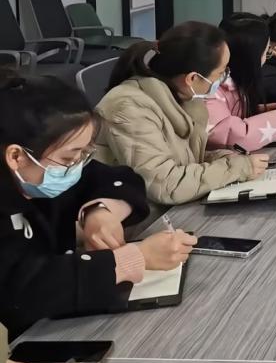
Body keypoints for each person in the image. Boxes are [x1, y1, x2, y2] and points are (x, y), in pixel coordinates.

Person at [0, 70, 196, 341]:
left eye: (84, 153)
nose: (76, 166)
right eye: (69, 158)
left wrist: (101, 211)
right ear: (16, 156)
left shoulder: (43, 171)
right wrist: (132, 259)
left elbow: (116, 179)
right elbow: (23, 290)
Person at [95, 22, 269, 206]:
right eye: (221, 72)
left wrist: (226, 159)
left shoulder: (181, 96)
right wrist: (237, 168)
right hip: (142, 216)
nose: (225, 77)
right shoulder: (129, 109)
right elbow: (165, 185)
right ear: (192, 78)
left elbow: (186, 160)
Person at [207, 14, 276, 152]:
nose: (266, 59)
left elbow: (236, 115)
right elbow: (235, 139)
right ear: (250, 57)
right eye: (266, 53)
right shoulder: (209, 92)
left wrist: (275, 109)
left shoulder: (232, 79)